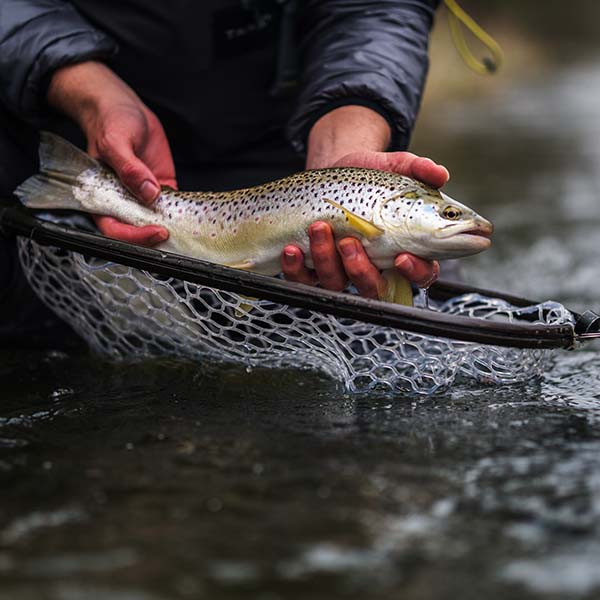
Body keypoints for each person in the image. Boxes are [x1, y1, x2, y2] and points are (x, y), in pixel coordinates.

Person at [0, 0, 444, 340]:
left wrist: (347, 137)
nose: (472, 225)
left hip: (282, 140)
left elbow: (375, 10)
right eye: (448, 216)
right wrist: (86, 89)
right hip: (53, 110)